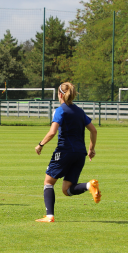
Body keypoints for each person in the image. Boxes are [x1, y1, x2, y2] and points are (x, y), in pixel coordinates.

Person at [34, 82, 101, 223]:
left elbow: (52, 132)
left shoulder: (60, 110)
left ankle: (49, 216)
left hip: (64, 152)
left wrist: (41, 144)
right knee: (67, 190)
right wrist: (91, 149)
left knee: (48, 182)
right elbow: (93, 130)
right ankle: (89, 186)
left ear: (60, 94)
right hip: (80, 154)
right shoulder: (79, 111)